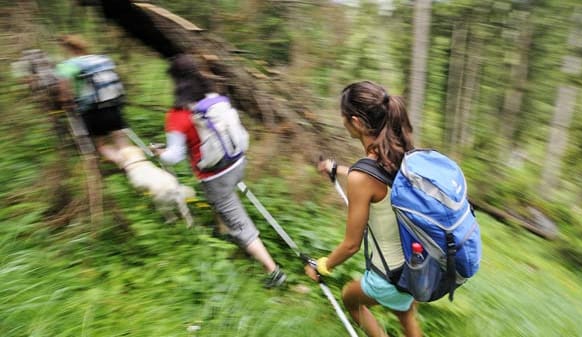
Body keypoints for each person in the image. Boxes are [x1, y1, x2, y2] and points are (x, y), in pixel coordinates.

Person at [152, 54, 286, 288]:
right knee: (223, 204)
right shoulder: (214, 99)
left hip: (215, 178)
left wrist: (159, 153)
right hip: (238, 163)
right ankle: (222, 230)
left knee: (240, 223)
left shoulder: (176, 116)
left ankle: (273, 271)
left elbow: (174, 157)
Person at [305, 81, 422, 337]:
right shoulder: (404, 155)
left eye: (344, 117)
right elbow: (378, 182)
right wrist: (336, 169)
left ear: (356, 122)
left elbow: (351, 245)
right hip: (418, 269)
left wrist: (321, 265)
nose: (343, 122)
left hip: (388, 277)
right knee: (406, 316)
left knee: (350, 298)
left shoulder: (362, 176)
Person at [55, 34, 131, 165]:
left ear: (68, 49)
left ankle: (125, 165)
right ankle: (136, 163)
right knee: (120, 139)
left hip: (93, 110)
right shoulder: (101, 58)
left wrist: (65, 100)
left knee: (101, 146)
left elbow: (63, 84)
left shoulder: (69, 64)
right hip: (113, 104)